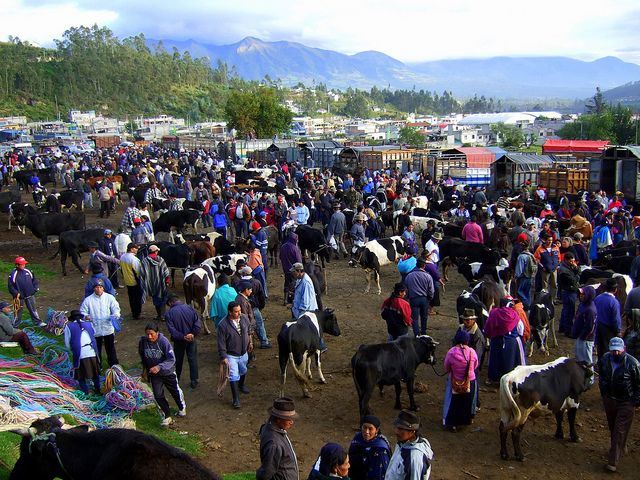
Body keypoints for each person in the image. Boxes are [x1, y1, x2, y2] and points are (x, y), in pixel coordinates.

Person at [599, 337, 640, 472]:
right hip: (610, 399)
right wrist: (604, 393)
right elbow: (602, 376)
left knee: (619, 430)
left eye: (618, 351)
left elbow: (638, 384)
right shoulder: (605, 359)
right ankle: (622, 446)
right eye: (613, 351)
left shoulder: (633, 364)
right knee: (613, 427)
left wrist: (635, 401)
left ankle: (613, 461)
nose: (616, 353)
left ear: (624, 349)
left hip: (626, 402)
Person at [138, 322, 186, 427]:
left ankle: (181, 408)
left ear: (157, 333)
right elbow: (143, 357)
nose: (149, 337)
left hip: (167, 373)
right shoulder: (142, 342)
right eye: (147, 334)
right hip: (154, 375)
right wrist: (144, 371)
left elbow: (171, 359)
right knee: (158, 395)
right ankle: (167, 416)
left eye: (152, 334)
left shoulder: (164, 342)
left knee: (175, 392)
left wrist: (159, 367)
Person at [218, 300, 253, 408]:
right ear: (230, 312)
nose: (239, 313)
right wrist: (223, 356)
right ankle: (236, 399)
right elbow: (221, 342)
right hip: (231, 354)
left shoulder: (243, 318)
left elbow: (249, 330)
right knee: (233, 375)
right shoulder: (223, 325)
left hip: (243, 352)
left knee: (243, 369)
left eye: (239, 311)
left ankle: (241, 384)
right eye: (236, 311)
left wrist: (250, 342)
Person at [79, 279, 121, 367]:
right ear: (94, 288)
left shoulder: (109, 298)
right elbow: (82, 311)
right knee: (96, 349)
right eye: (97, 287)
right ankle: (98, 365)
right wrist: (86, 316)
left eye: (100, 287)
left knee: (110, 348)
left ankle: (114, 365)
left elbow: (116, 309)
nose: (98, 289)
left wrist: (115, 315)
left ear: (103, 288)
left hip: (108, 329)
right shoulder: (88, 300)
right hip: (95, 329)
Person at [443, 330, 479, 432]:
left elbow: (447, 367)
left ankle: (454, 425)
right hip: (469, 380)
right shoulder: (472, 352)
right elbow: (476, 365)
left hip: (454, 381)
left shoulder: (451, 352)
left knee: (454, 402)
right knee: (470, 400)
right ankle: (470, 418)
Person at [257, 397, 300, 480]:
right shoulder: (274, 443)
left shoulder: (270, 427)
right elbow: (267, 471)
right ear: (278, 419)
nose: (292, 422)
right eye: (288, 419)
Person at [484, 297, 526, 384]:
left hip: (497, 341)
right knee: (512, 361)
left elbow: (487, 327)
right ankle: (512, 379)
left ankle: (492, 378)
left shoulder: (494, 313)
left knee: (495, 360)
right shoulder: (514, 314)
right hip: (512, 342)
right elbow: (521, 330)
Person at [165, 293, 201, 389]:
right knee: (192, 358)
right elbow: (197, 323)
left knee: (178, 359)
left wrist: (182, 336)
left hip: (179, 341)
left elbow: (172, 330)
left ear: (170, 303)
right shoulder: (190, 308)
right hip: (191, 339)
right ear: (179, 300)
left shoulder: (169, 314)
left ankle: (176, 378)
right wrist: (192, 334)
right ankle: (194, 380)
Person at [386, 411, 433, 480]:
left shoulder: (415, 459)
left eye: (400, 429)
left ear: (412, 432)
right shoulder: (403, 443)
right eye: (397, 428)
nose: (396, 432)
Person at [63, 310, 100, 395]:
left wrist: (73, 350)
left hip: (80, 353)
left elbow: (67, 343)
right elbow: (94, 334)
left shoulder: (69, 327)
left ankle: (85, 391)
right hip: (92, 352)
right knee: (95, 372)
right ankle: (97, 388)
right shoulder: (89, 324)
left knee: (80, 374)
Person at [348, 414, 391, 480]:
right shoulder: (357, 440)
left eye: (370, 429)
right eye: (364, 427)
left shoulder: (380, 447)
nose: (366, 432)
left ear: (377, 430)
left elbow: (381, 472)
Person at [8, 256, 45, 327]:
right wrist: (16, 294)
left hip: (29, 295)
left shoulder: (28, 271)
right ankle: (15, 325)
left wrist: (34, 289)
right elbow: (11, 286)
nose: (23, 265)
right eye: (22, 264)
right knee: (17, 312)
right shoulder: (13, 274)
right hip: (19, 297)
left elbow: (34, 280)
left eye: (24, 264)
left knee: (33, 310)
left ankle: (38, 322)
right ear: (17, 265)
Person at [595, 277, 623, 365]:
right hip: (608, 329)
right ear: (615, 290)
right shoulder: (614, 302)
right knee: (607, 349)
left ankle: (600, 363)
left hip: (597, 326)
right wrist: (618, 331)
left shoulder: (598, 298)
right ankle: (605, 366)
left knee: (600, 347)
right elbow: (616, 319)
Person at [405, 259, 434, 336]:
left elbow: (406, 289)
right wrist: (429, 298)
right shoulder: (428, 276)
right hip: (424, 299)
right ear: (424, 266)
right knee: (424, 317)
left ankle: (416, 334)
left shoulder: (409, 276)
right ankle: (423, 332)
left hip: (413, 299)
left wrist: (407, 299)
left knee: (414, 318)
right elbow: (431, 290)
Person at [141, 244, 171, 321]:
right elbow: (166, 272)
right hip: (161, 284)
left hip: (151, 285)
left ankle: (159, 314)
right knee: (163, 299)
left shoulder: (145, 261)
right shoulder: (160, 260)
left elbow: (142, 273)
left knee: (156, 299)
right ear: (156, 251)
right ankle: (162, 315)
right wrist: (167, 281)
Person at [572, 286, 597, 372]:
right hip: (579, 337)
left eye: (583, 295)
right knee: (579, 358)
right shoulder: (582, 305)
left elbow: (589, 327)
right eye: (580, 294)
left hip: (585, 340)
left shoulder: (590, 310)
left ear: (588, 296)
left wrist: (582, 337)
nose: (580, 296)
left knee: (587, 360)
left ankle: (590, 379)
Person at [557, 252, 581, 336]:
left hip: (569, 291)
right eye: (571, 261)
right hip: (569, 292)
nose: (573, 263)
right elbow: (574, 281)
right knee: (569, 312)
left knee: (565, 310)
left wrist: (576, 268)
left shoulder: (568, 267)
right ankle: (568, 330)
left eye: (573, 261)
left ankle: (562, 328)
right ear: (566, 260)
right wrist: (578, 273)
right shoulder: (564, 272)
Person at [120, 243, 144, 320]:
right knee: (137, 298)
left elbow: (121, 269)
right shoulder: (134, 259)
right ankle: (137, 314)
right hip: (134, 281)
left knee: (131, 297)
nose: (137, 250)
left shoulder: (122, 257)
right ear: (131, 249)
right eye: (135, 248)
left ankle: (133, 312)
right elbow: (138, 271)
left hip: (127, 281)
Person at [280, 232, 303, 305]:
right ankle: (294, 299)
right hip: (294, 271)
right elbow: (299, 261)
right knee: (295, 285)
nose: (297, 241)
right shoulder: (295, 248)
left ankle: (285, 299)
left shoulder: (283, 246)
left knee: (286, 284)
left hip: (286, 269)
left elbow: (280, 256)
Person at [514, 240, 537, 309]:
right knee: (528, 292)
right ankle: (528, 304)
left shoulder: (521, 257)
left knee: (520, 291)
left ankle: (527, 304)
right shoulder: (531, 255)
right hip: (530, 276)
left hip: (523, 276)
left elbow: (519, 269)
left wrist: (516, 277)